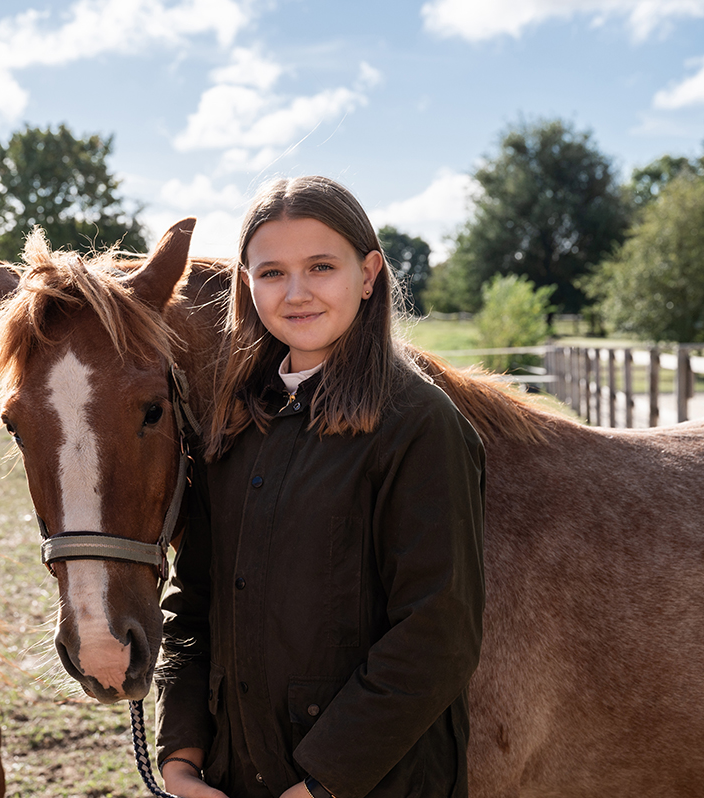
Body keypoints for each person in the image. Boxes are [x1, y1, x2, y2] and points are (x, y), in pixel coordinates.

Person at [155, 176, 486, 798]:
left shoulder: (420, 425)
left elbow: (437, 635)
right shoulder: (232, 425)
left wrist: (323, 784)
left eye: (321, 267)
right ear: (246, 286)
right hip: (233, 776)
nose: (297, 292)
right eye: (272, 272)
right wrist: (180, 755)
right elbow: (193, 602)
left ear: (368, 275)